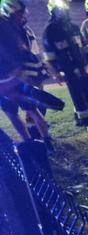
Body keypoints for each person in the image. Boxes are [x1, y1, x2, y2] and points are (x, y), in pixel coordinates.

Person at [0, 0, 53, 146]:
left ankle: (33, 141)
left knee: (17, 111)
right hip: (13, 75)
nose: (22, 17)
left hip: (10, 76)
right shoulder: (13, 28)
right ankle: (44, 141)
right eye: (18, 13)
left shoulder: (14, 27)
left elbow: (21, 50)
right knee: (25, 110)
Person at [43, 0, 88, 132]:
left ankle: (81, 113)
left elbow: (85, 48)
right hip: (68, 69)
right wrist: (56, 73)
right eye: (57, 10)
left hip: (84, 66)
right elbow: (49, 56)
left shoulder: (74, 27)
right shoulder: (50, 31)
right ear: (53, 12)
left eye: (62, 10)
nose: (61, 12)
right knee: (78, 95)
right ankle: (86, 122)